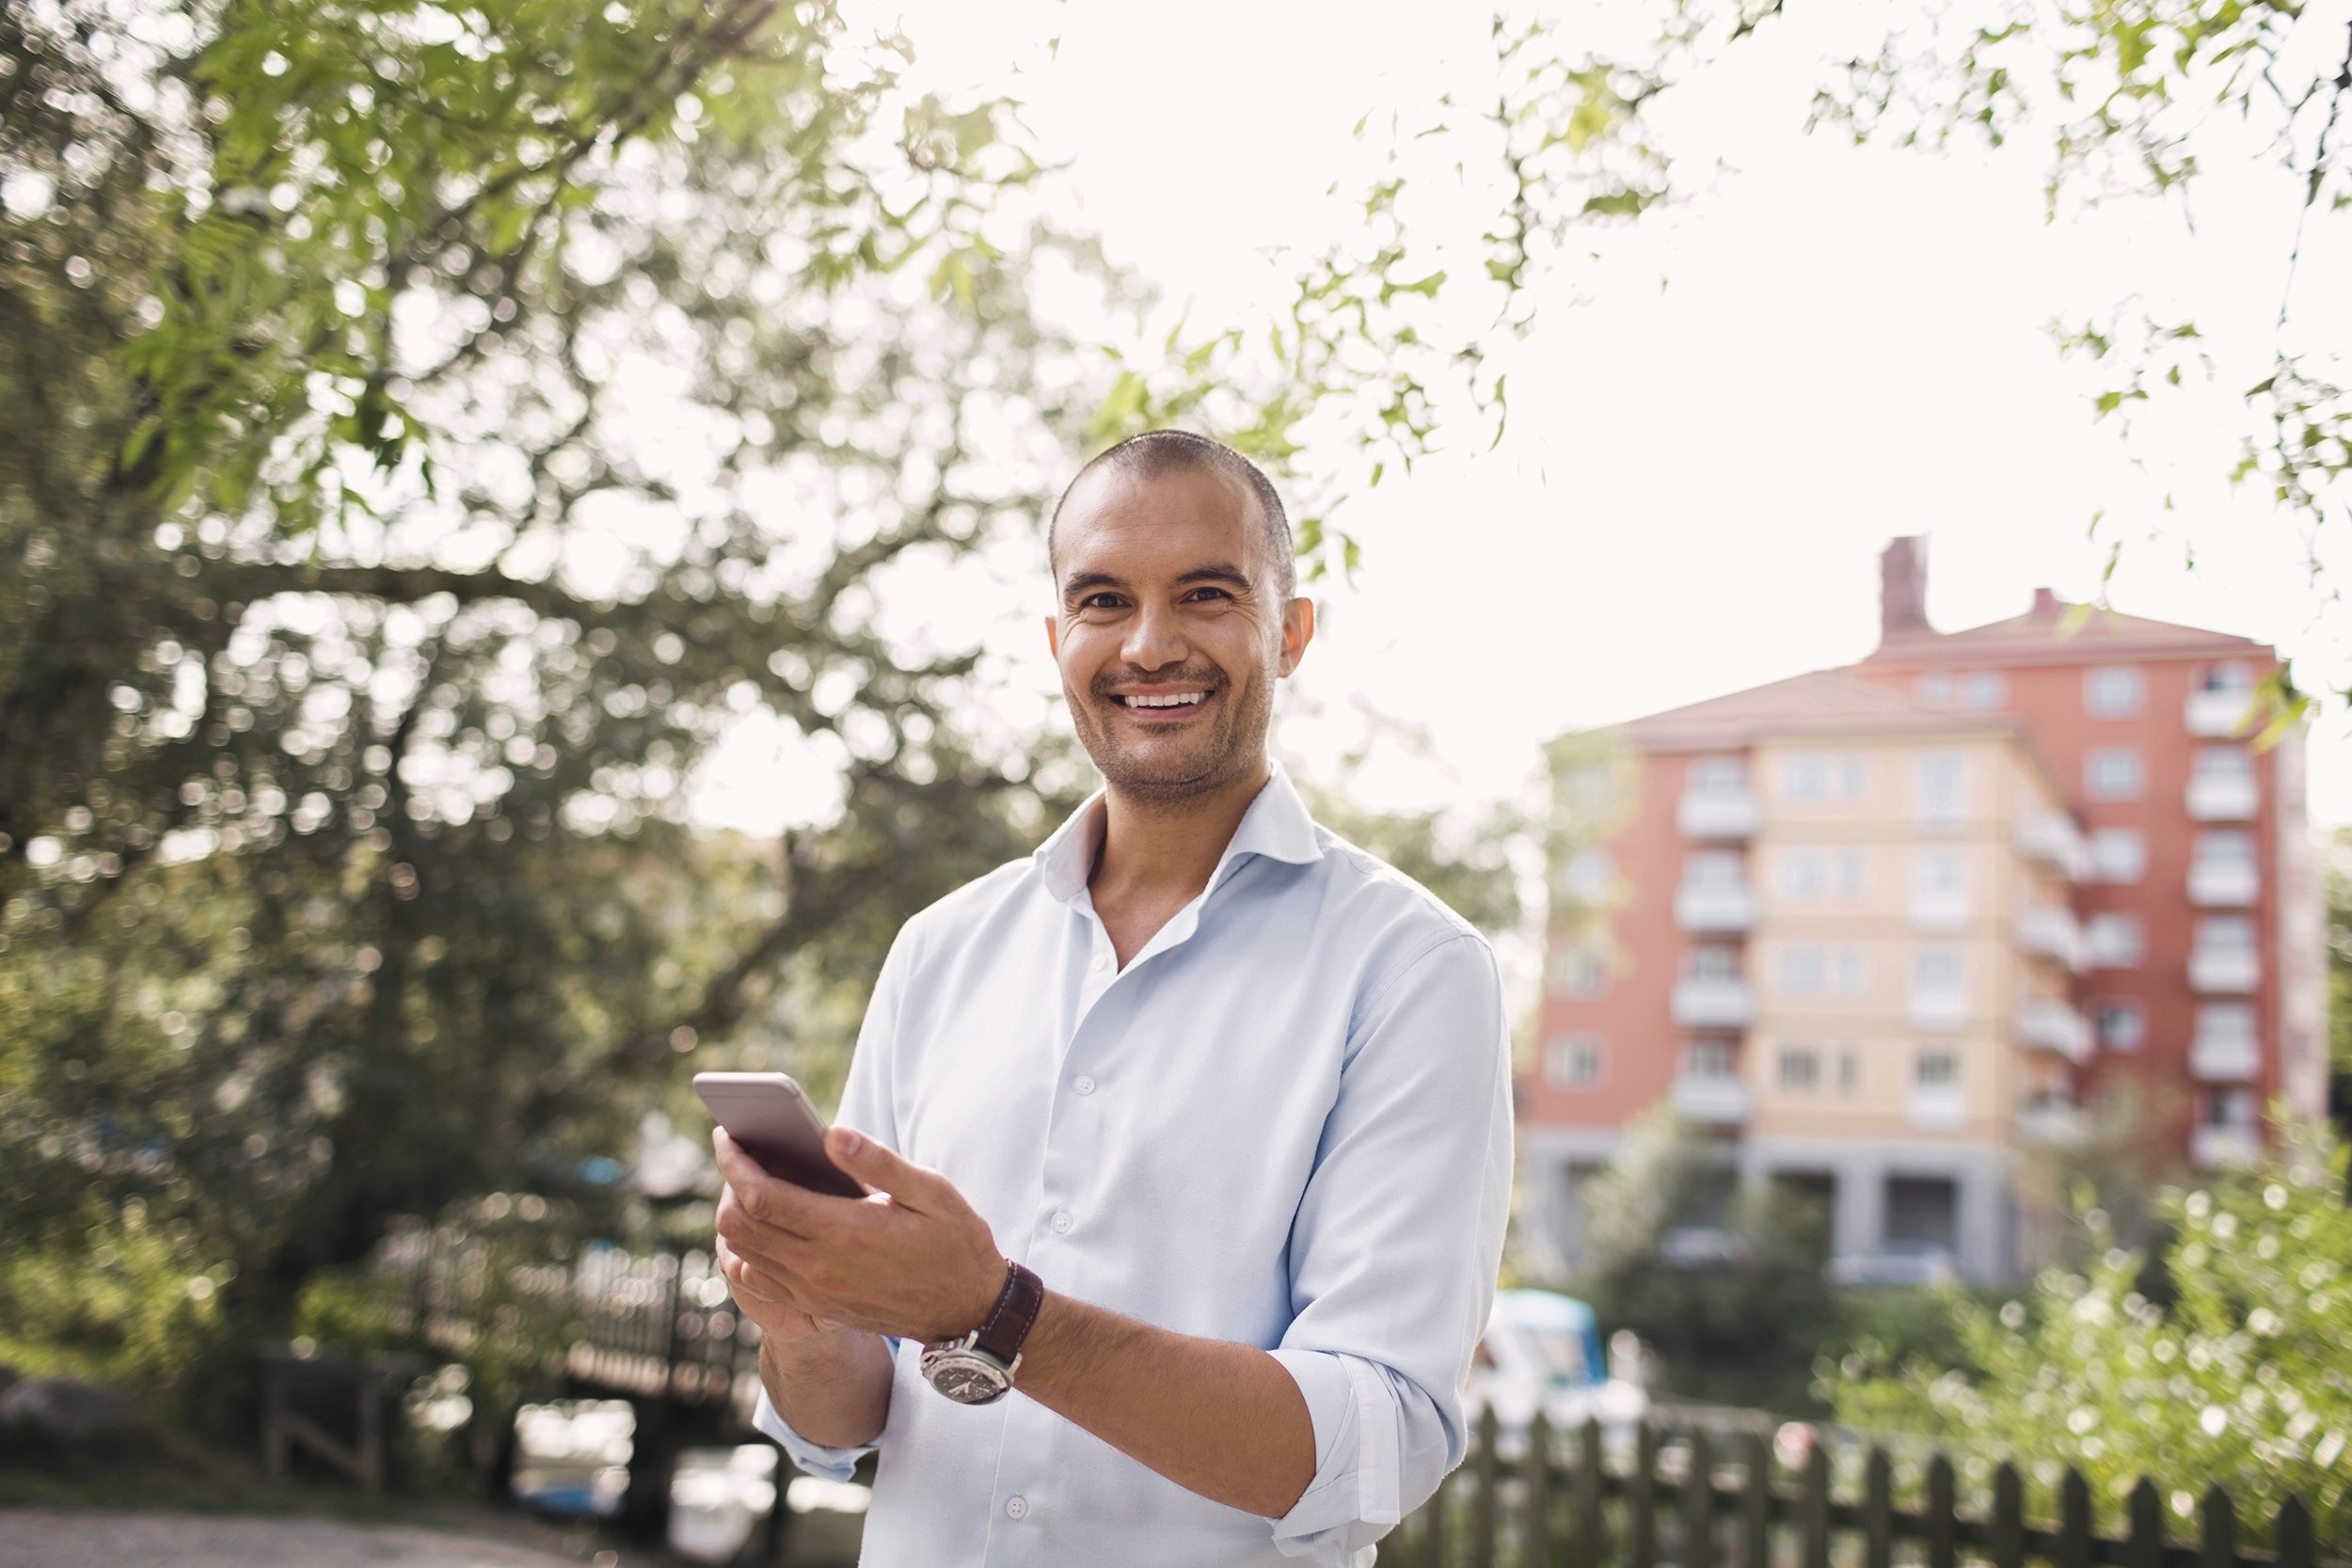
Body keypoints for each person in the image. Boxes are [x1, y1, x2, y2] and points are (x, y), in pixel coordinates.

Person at [711, 430, 1512, 1566]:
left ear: (1290, 633)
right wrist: (805, 1313)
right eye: (1102, 599)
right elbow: (846, 1420)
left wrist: (999, 1315)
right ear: (1056, 640)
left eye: (1205, 593)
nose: (1148, 643)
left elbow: (1368, 1445)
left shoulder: (1414, 969)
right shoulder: (940, 949)